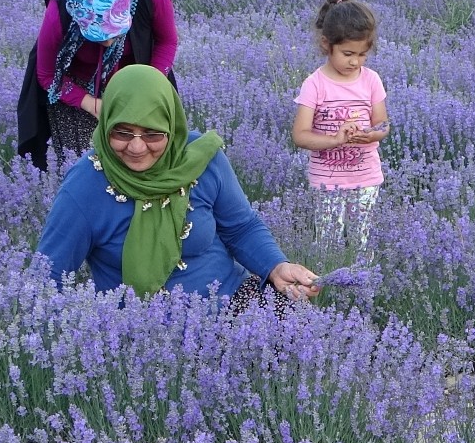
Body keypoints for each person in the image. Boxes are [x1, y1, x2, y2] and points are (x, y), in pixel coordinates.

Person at [37, 64, 320, 307]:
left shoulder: (200, 158)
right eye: (122, 132)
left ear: (172, 128)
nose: (137, 147)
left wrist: (276, 265)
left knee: (300, 330)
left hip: (229, 302)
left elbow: (241, 227)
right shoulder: (86, 184)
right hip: (142, 333)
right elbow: (48, 275)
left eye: (152, 134)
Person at [16, 0, 179, 171]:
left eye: (115, 33)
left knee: (147, 155)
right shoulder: (59, 12)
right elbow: (47, 74)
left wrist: (149, 84)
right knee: (89, 166)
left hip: (139, 73)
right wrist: (91, 104)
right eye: (97, 35)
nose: (109, 43)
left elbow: (167, 42)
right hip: (78, 88)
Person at [290, 0, 390, 250]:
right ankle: (331, 288)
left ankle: (361, 286)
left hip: (366, 175)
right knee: (328, 242)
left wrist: (372, 135)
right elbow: (300, 135)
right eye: (348, 54)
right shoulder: (315, 84)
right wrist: (335, 139)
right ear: (326, 45)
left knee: (362, 241)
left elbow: (382, 123)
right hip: (327, 180)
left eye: (362, 55)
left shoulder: (371, 80)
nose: (355, 62)